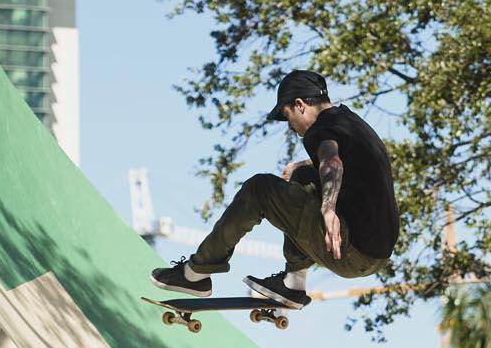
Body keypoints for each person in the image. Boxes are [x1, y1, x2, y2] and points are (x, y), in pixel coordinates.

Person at [150, 69, 400, 306]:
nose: (291, 127)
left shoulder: (319, 129)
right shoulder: (350, 122)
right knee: (302, 175)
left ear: (300, 105)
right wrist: (302, 166)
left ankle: (196, 273)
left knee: (259, 189)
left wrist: (328, 208)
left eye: (288, 116)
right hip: (377, 253)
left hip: (351, 251)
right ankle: (293, 283)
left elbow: (331, 161)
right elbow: (347, 161)